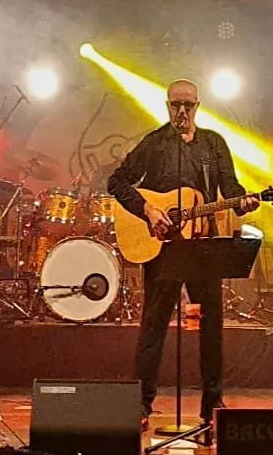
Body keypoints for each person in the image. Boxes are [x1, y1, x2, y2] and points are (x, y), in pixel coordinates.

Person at [106, 79, 259, 429]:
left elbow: (230, 188)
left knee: (212, 322)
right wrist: (148, 210)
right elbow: (116, 182)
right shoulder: (156, 143)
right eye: (176, 104)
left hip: (202, 245)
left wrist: (243, 201)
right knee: (154, 324)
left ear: (198, 107)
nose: (182, 111)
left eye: (188, 105)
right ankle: (142, 403)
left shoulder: (213, 144)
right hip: (164, 248)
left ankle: (212, 401)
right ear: (167, 106)